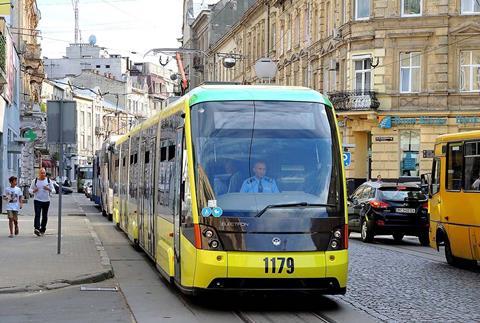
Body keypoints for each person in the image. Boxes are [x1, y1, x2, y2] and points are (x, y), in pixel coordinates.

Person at [29, 168, 55, 236]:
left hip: (46, 200)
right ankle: (36, 228)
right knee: (37, 214)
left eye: (44, 173)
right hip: (37, 200)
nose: (43, 174)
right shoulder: (35, 181)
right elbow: (30, 190)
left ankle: (43, 229)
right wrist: (34, 191)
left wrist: (48, 189)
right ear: (39, 173)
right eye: (41, 173)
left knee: (44, 216)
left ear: (45, 173)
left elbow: (54, 190)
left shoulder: (49, 181)